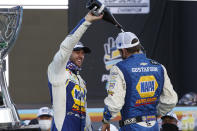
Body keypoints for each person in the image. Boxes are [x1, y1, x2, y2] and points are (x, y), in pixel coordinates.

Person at [101, 32, 178, 131]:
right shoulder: (159, 67)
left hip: (132, 126)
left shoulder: (119, 68)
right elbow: (171, 100)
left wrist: (106, 120)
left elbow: (114, 103)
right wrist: (154, 113)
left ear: (124, 50)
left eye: (119, 51)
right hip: (153, 126)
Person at [47, 12, 103, 131]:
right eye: (77, 52)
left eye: (83, 53)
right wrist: (86, 21)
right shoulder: (57, 71)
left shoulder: (81, 81)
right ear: (69, 53)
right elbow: (66, 47)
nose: (81, 56)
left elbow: (84, 111)